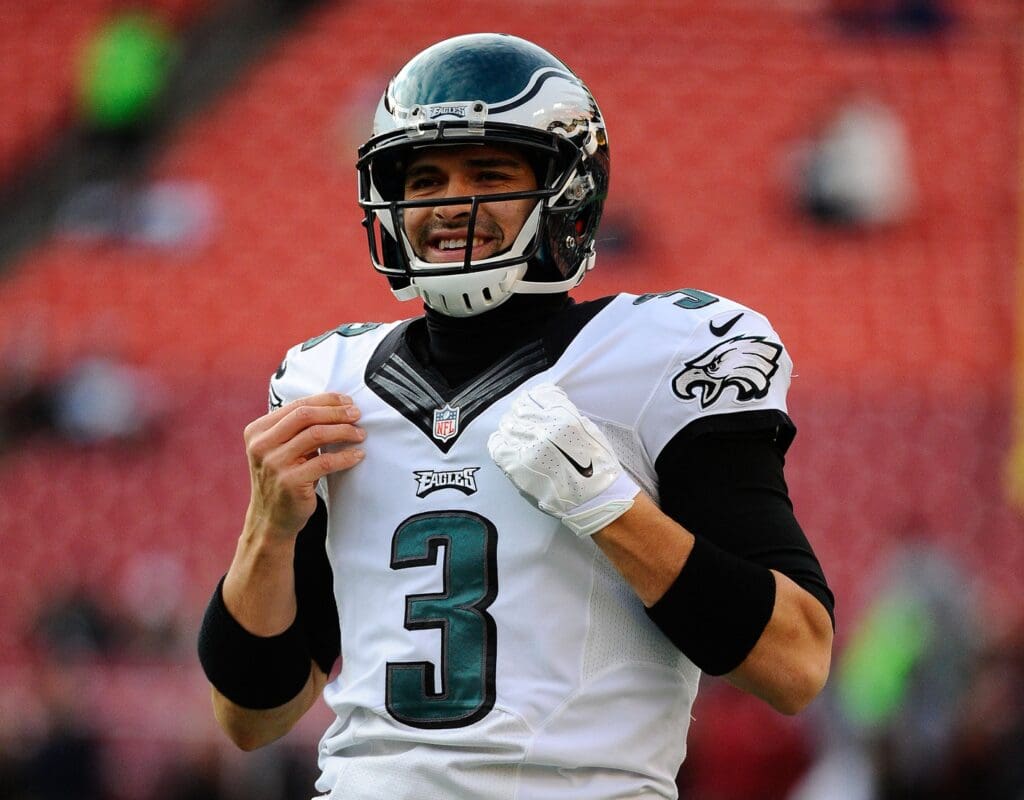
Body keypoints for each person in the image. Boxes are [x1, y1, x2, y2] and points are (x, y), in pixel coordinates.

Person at [198, 33, 835, 800]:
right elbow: (251, 715)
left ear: (566, 189)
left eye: (489, 174)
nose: (449, 203)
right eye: (423, 179)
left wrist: (608, 506)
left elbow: (796, 662)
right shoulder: (325, 383)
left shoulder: (663, 357)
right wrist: (266, 531)